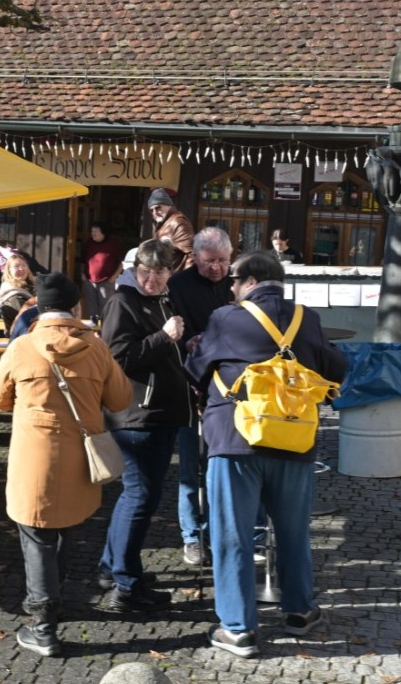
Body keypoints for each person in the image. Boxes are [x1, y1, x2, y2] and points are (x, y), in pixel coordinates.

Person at [184, 251, 347, 657]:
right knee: (293, 532)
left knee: (233, 535)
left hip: (237, 441)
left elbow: (195, 369)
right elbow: (335, 368)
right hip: (294, 439)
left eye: (234, 281)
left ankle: (238, 629)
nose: (232, 288)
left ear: (250, 281)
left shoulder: (226, 317)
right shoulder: (305, 318)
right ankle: (300, 613)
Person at [0, 273, 133, 658]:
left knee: (36, 533)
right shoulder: (96, 348)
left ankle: (43, 623)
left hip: (33, 460)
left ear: (36, 305)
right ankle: (56, 595)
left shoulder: (21, 347)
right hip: (81, 461)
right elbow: (120, 399)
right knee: (65, 527)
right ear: (76, 307)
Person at [96, 239, 189, 612]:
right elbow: (117, 359)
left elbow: (164, 351)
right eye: (145, 272)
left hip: (160, 412)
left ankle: (112, 566)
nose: (151, 279)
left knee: (141, 497)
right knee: (139, 497)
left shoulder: (162, 299)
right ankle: (125, 583)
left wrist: (185, 344)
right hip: (137, 416)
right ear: (135, 269)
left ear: (170, 272)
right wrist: (163, 337)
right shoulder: (123, 301)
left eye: (159, 272)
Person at [166, 227, 236, 565]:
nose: (218, 269)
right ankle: (192, 536)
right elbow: (167, 331)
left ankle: (223, 531)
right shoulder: (178, 286)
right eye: (210, 262)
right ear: (195, 258)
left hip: (231, 389)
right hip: (190, 386)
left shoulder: (236, 284)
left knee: (226, 465)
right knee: (190, 468)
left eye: (223, 261)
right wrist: (187, 341)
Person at [80, 222, 121, 318]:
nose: (93, 234)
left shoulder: (113, 244)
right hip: (89, 281)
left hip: (106, 281)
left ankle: (104, 330)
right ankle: (93, 329)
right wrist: (82, 273)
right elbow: (83, 260)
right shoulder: (89, 242)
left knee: (106, 308)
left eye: (96, 232)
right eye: (92, 231)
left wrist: (113, 277)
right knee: (91, 308)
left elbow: (121, 263)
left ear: (103, 233)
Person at [148, 188, 195, 270]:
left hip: (175, 278)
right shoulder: (160, 223)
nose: (155, 213)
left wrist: (186, 279)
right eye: (151, 210)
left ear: (168, 205)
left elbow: (191, 254)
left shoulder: (178, 222)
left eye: (158, 208)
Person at [0, 250, 37, 325]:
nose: (21, 269)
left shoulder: (35, 287)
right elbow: (26, 317)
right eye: (16, 266)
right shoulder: (11, 293)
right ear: (9, 270)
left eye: (23, 265)